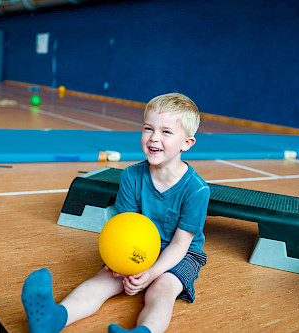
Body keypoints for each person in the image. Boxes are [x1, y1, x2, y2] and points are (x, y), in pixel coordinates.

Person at [21, 93, 210, 333]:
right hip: (138, 244)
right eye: (148, 128)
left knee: (161, 289)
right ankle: (53, 319)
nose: (153, 138)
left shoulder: (196, 189)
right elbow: (125, 227)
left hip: (180, 253)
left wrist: (150, 273)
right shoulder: (131, 176)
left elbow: (181, 245)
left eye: (166, 132)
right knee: (105, 280)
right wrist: (122, 263)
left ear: (187, 143)